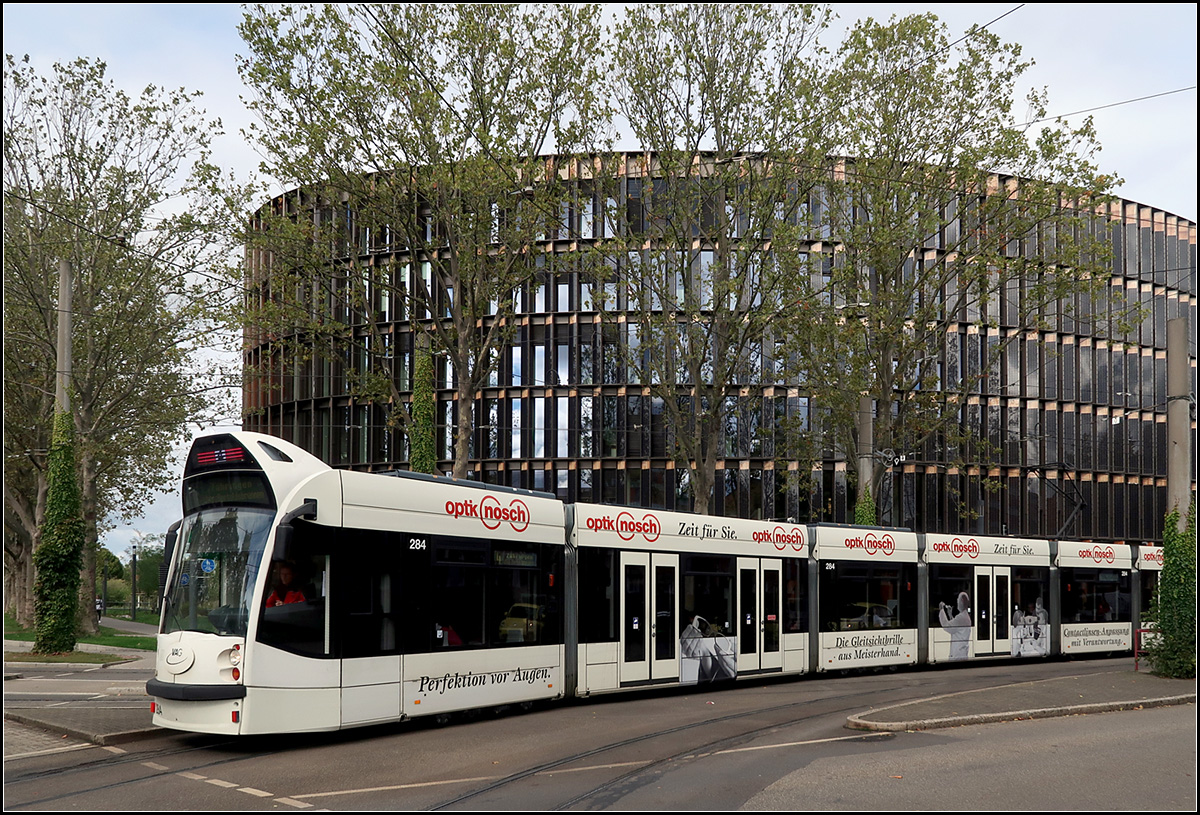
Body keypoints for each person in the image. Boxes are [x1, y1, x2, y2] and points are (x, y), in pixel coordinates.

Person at [938, 591, 972, 660]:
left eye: (958, 601)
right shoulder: (965, 616)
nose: (957, 603)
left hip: (957, 655)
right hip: (962, 653)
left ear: (961, 602)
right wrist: (950, 615)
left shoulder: (961, 617)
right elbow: (956, 627)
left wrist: (941, 610)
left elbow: (947, 626)